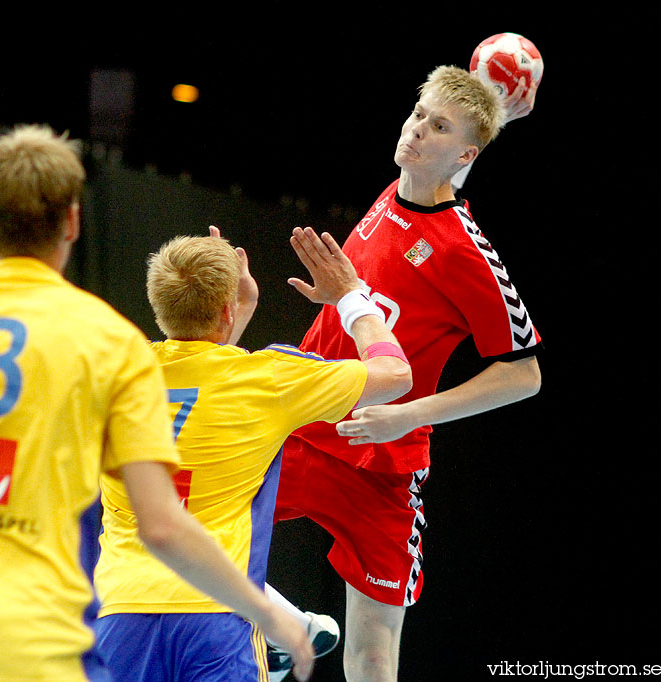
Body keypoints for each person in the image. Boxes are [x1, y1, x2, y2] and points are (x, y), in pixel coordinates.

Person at [0, 125, 314, 682]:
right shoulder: (106, 344)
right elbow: (163, 525)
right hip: (40, 641)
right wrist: (268, 611)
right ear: (73, 223)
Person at [269, 65, 543, 682]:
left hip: (383, 463)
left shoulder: (466, 253)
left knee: (371, 656)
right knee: (183, 519)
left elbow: (524, 375)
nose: (417, 131)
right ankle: (289, 630)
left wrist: (408, 414)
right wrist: (336, 298)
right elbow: (378, 301)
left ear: (466, 154)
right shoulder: (390, 194)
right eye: (419, 115)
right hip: (307, 425)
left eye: (439, 126)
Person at [92, 225, 413, 681]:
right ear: (226, 309)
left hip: (120, 612)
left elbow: (197, 369)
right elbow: (396, 374)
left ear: (157, 304)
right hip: (217, 614)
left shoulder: (114, 372)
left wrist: (233, 313)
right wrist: (352, 296)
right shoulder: (269, 377)